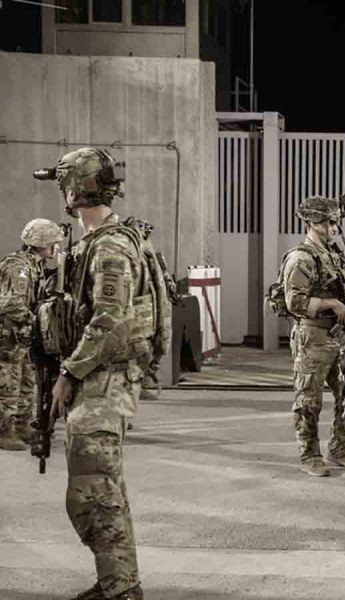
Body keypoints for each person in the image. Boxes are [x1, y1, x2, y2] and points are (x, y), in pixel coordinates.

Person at [36, 146, 172, 600]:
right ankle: (118, 580)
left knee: (94, 490)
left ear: (74, 190)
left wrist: (69, 373)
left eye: (64, 184)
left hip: (104, 377)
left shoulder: (110, 246)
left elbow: (110, 317)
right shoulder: (97, 242)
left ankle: (121, 588)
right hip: (101, 375)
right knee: (100, 485)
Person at [281, 196, 345, 477]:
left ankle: (339, 447)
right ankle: (309, 453)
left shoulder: (334, 254)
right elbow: (294, 302)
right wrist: (330, 303)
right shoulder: (301, 258)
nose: (333, 227)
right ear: (311, 223)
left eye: (335, 222)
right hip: (313, 336)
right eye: (328, 222)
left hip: (340, 336)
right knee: (309, 399)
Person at [0, 219, 63, 450]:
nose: (56, 247)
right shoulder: (18, 267)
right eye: (53, 242)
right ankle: (4, 431)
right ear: (41, 242)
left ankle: (21, 426)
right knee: (8, 386)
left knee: (27, 383)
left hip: (23, 337)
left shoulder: (35, 266)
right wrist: (36, 321)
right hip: (9, 338)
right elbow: (10, 304)